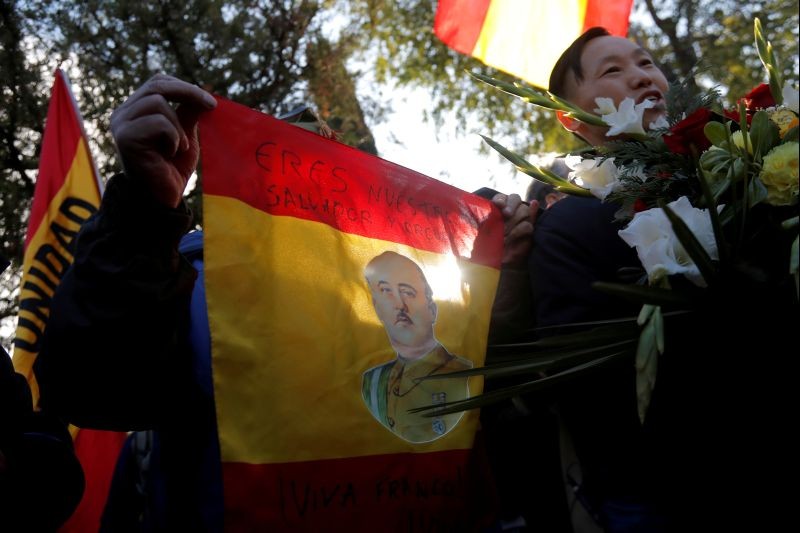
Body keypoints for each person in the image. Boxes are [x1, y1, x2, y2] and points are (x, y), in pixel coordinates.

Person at [33, 74, 536, 530]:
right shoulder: (185, 278)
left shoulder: (417, 286)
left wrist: (504, 273)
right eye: (283, 165)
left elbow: (498, 403)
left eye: (331, 170)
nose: (307, 191)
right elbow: (87, 388)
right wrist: (142, 208)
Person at [529, 27, 797, 532]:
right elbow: (586, 389)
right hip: (675, 493)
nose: (641, 77)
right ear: (572, 119)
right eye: (612, 71)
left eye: (646, 62)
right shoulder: (570, 227)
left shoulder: (741, 173)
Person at [361, 251, 473, 443]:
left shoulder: (466, 374)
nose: (399, 305)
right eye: (386, 291)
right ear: (377, 309)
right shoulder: (371, 383)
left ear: (432, 310)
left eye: (407, 292)